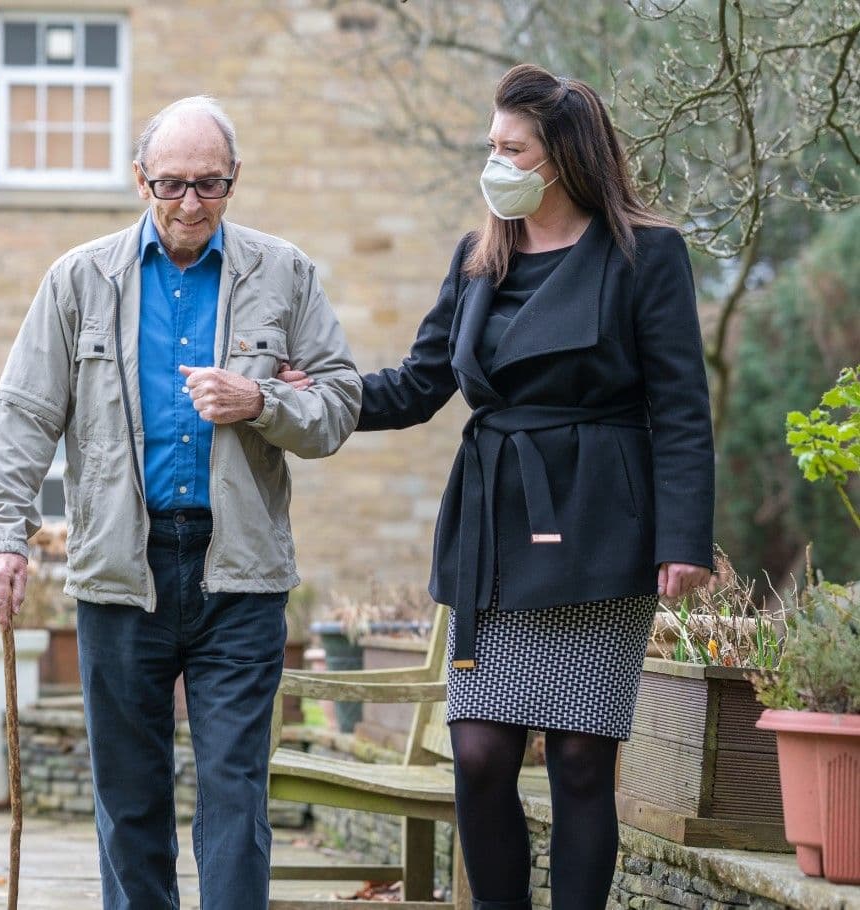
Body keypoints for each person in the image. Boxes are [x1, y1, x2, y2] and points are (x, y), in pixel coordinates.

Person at [280, 65, 714, 909]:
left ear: (562, 158)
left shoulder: (644, 254)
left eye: (512, 149)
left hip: (601, 525)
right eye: (493, 147)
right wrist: (321, 395)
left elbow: (682, 407)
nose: (497, 164)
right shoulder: (481, 257)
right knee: (479, 755)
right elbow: (419, 383)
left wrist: (683, 540)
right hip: (495, 527)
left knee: (583, 759)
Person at [0, 95, 362, 910]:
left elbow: (337, 407)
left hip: (239, 574)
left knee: (233, 793)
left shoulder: (283, 273)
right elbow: (23, 415)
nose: (191, 204)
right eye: (173, 185)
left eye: (210, 185)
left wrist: (262, 403)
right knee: (130, 797)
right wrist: (3, 537)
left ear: (235, 180)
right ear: (140, 180)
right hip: (121, 572)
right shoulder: (80, 279)